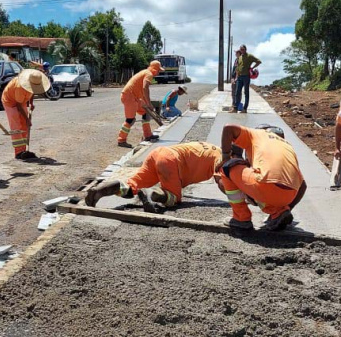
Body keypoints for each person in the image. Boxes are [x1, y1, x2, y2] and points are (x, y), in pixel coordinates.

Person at [85, 142, 224, 210]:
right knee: (173, 198)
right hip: (169, 161)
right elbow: (222, 182)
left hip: (158, 154)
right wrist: (241, 196)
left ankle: (100, 190)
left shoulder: (213, 148)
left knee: (130, 188)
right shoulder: (223, 158)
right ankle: (151, 193)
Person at [219, 124, 306, 232]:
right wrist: (288, 207)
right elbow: (303, 186)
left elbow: (228, 128)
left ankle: (241, 218)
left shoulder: (255, 134)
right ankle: (279, 212)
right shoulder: (286, 145)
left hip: (265, 187)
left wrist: (225, 157)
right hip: (288, 195)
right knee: (264, 183)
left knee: (227, 167)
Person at [2, 68, 50, 161]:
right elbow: (18, 105)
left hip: (21, 101)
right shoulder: (20, 86)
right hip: (10, 102)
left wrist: (31, 104)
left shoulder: (31, 85)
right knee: (16, 126)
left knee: (24, 125)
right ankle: (18, 152)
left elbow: (32, 92)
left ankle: (23, 150)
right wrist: (27, 119)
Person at [117, 60, 162, 148]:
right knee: (130, 120)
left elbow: (142, 91)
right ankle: (121, 140)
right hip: (129, 96)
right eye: (159, 71)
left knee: (146, 113)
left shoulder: (145, 72)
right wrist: (149, 103)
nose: (159, 73)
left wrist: (147, 105)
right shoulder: (149, 74)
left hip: (135, 97)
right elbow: (145, 88)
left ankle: (148, 135)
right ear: (155, 69)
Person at [232, 45, 260, 114]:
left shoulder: (249, 56)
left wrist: (252, 68)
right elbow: (237, 68)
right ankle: (235, 109)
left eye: (243, 49)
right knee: (237, 93)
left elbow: (258, 61)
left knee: (246, 93)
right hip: (239, 77)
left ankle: (245, 109)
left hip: (246, 77)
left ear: (245, 49)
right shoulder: (240, 57)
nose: (242, 50)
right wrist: (236, 77)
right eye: (241, 49)